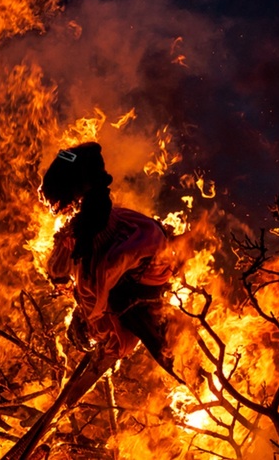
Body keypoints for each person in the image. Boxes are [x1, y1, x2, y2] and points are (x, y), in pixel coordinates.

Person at [39, 141, 181, 380]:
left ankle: (163, 343)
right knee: (102, 296)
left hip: (148, 269)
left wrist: (96, 321)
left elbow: (101, 285)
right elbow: (72, 156)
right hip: (149, 254)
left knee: (113, 304)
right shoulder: (91, 218)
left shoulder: (87, 243)